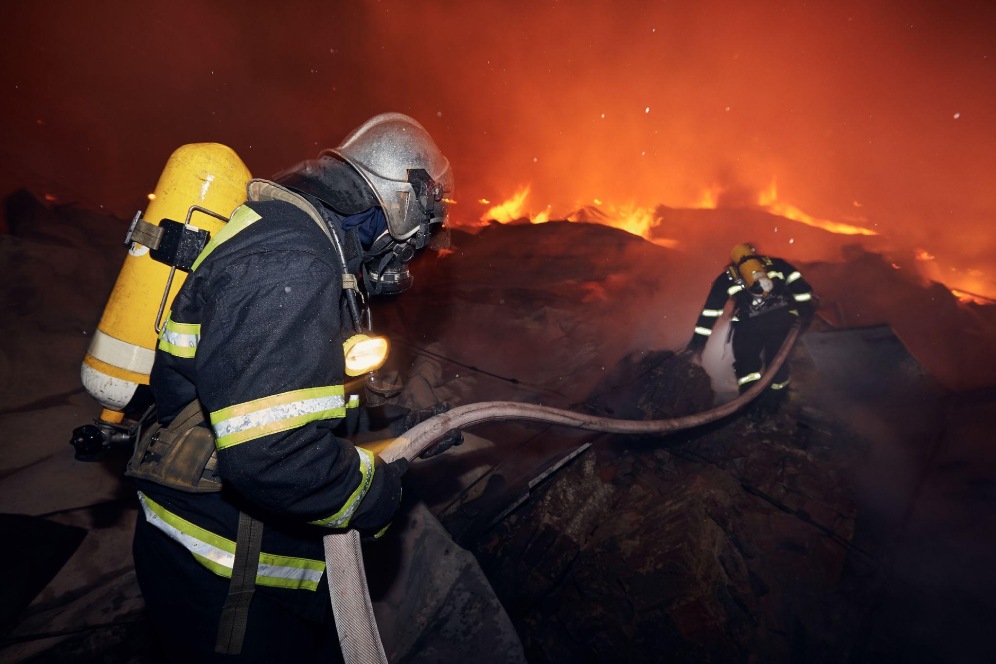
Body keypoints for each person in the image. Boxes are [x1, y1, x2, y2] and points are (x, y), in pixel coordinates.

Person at [127, 113, 454, 662]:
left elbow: (290, 401)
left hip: (251, 557)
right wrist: (376, 494)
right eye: (418, 237)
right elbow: (272, 455)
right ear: (401, 202)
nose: (408, 258)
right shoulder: (293, 258)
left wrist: (401, 430)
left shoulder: (298, 241)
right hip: (226, 571)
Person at [685, 242, 816, 415]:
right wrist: (805, 312)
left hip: (748, 326)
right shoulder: (776, 264)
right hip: (782, 321)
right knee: (778, 361)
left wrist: (698, 343)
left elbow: (710, 313)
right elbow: (802, 289)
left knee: (747, 367)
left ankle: (751, 407)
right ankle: (775, 403)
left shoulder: (727, 277)